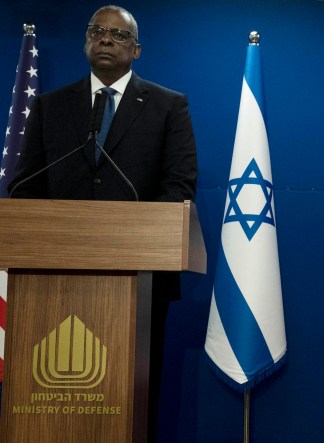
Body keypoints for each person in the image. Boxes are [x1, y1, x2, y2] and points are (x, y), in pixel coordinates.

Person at [8, 5, 197, 440]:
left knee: (131, 403)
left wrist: (131, 237)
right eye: (97, 31)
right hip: (51, 279)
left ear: (137, 50)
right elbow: (25, 189)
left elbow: (179, 186)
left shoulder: (169, 107)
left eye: (118, 34)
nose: (106, 39)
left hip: (141, 278)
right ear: (85, 42)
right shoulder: (50, 106)